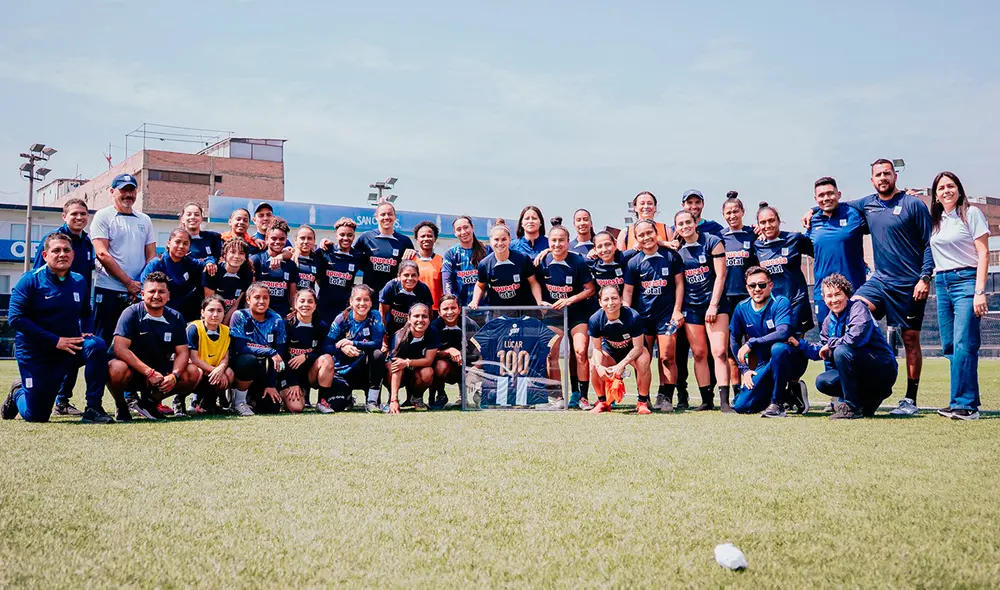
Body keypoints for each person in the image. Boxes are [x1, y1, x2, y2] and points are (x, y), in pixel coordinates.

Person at [828, 159, 934, 416]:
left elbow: (929, 243)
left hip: (909, 283)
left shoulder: (913, 204)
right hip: (880, 281)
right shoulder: (868, 204)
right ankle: (863, 384)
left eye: (887, 173)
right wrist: (811, 211)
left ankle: (910, 399)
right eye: (878, 174)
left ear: (895, 176)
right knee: (854, 308)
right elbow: (835, 205)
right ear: (872, 180)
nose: (883, 177)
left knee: (910, 340)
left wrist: (925, 277)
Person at [3, 234, 112, 424]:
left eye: (66, 250)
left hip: (68, 349)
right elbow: (15, 318)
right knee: (36, 416)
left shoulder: (79, 281)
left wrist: (87, 330)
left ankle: (93, 408)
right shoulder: (30, 280)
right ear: (45, 255)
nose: (62, 254)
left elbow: (86, 312)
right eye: (56, 250)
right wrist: (55, 341)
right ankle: (18, 393)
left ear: (73, 254)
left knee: (96, 345)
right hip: (35, 354)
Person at [928, 171, 989, 420]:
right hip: (942, 283)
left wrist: (979, 291)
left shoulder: (971, 213)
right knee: (951, 345)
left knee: (965, 342)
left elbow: (984, 253)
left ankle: (965, 405)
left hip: (966, 281)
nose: (946, 191)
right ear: (936, 195)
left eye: (950, 186)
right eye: (941, 188)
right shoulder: (937, 219)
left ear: (959, 189)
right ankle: (963, 401)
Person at [793, 274, 896, 419]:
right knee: (823, 381)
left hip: (881, 368)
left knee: (841, 351)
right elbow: (824, 351)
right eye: (829, 296)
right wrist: (799, 344)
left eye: (838, 294)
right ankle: (866, 401)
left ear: (847, 295)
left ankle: (852, 407)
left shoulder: (858, 308)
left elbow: (855, 338)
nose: (834, 300)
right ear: (824, 299)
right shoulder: (828, 321)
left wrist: (830, 344)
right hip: (859, 369)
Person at [31, 197, 96, 416]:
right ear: (64, 216)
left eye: (83, 214)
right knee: (53, 358)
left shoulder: (87, 243)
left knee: (77, 348)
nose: (79, 218)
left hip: (76, 308)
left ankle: (62, 400)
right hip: (51, 312)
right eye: (74, 214)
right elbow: (38, 275)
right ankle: (30, 389)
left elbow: (85, 280)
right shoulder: (53, 240)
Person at [106, 272, 201, 420]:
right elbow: (120, 349)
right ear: (143, 294)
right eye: (152, 291)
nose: (156, 295)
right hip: (133, 371)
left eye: (161, 292)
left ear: (168, 296)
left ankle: (150, 403)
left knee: (193, 372)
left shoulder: (176, 317)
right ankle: (121, 404)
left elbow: (182, 352)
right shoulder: (130, 313)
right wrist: (149, 372)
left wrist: (174, 376)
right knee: (116, 368)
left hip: (159, 371)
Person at [622, 219, 684, 412]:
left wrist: (677, 310)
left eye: (649, 232)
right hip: (642, 319)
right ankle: (644, 397)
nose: (646, 237)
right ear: (637, 239)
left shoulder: (671, 256)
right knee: (642, 359)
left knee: (667, 356)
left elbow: (680, 285)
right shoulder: (634, 262)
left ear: (656, 232)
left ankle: (665, 397)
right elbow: (629, 293)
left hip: (666, 316)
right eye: (641, 235)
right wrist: (627, 316)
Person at [729, 267, 809, 417]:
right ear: (747, 288)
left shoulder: (780, 302)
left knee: (778, 349)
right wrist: (744, 370)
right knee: (742, 406)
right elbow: (734, 337)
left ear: (770, 286)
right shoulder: (742, 308)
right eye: (752, 286)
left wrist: (751, 343)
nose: (757, 289)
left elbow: (783, 332)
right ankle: (791, 394)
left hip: (791, 358)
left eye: (762, 285)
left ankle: (777, 404)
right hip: (765, 364)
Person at [674, 209, 731, 412]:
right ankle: (706, 400)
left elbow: (721, 276)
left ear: (695, 222)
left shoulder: (712, 241)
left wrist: (713, 305)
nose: (685, 226)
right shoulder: (677, 251)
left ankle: (725, 401)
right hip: (692, 308)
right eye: (680, 224)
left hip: (715, 305)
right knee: (699, 354)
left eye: (688, 222)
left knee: (720, 352)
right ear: (677, 228)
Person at [91, 173, 156, 346]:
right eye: (123, 190)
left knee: (136, 342)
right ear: (112, 191)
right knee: (103, 341)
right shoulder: (103, 216)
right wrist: (128, 282)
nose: (128, 195)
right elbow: (102, 254)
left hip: (138, 292)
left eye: (132, 190)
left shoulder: (145, 219)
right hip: (109, 289)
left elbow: (151, 256)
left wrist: (139, 285)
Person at [534, 224, 596, 409]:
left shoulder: (577, 262)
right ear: (548, 242)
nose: (557, 243)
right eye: (553, 240)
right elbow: (533, 282)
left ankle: (583, 397)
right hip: (554, 313)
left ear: (568, 242)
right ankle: (557, 397)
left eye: (561, 240)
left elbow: (590, 289)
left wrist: (570, 300)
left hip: (577, 312)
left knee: (580, 351)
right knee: (551, 353)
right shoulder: (542, 261)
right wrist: (539, 301)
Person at [228, 283, 302, 416]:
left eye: (265, 298)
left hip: (264, 370)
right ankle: (238, 401)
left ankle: (252, 398)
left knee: (270, 408)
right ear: (248, 299)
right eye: (257, 297)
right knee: (248, 361)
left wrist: (271, 384)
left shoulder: (277, 320)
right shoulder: (240, 316)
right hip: (241, 366)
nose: (261, 301)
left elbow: (280, 354)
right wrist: (270, 351)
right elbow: (241, 347)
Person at [805, 177, 868, 326]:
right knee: (828, 339)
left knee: (856, 339)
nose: (826, 198)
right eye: (821, 195)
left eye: (830, 193)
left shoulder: (854, 214)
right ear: (815, 199)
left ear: (839, 194)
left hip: (854, 290)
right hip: (824, 294)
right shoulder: (812, 221)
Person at [319, 285, 386, 413]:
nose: (362, 303)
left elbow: (377, 343)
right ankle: (348, 397)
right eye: (358, 299)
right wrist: (342, 349)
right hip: (343, 371)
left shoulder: (375, 316)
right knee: (337, 406)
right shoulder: (341, 319)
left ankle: (372, 401)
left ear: (371, 302)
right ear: (351, 301)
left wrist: (353, 343)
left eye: (366, 300)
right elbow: (326, 346)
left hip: (366, 371)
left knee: (377, 355)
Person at [587, 286, 653, 414]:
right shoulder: (595, 319)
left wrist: (621, 365)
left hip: (632, 351)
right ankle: (602, 402)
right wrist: (599, 366)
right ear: (600, 303)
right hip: (610, 352)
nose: (610, 303)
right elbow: (596, 348)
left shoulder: (633, 316)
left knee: (644, 359)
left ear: (621, 299)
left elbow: (638, 347)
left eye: (614, 298)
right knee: (593, 364)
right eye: (606, 299)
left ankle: (642, 402)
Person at [754, 203, 815, 336]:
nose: (768, 225)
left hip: (796, 301)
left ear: (779, 221)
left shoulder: (794, 239)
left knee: (796, 344)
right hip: (772, 304)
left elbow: (820, 253)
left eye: (771, 220)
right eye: (763, 222)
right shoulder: (757, 245)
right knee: (776, 345)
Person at [720, 192, 757, 387]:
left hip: (749, 298)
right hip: (727, 299)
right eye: (728, 212)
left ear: (743, 212)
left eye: (736, 211)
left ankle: (753, 385)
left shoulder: (752, 234)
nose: (732, 215)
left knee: (753, 344)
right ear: (723, 215)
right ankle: (736, 391)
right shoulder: (719, 237)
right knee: (731, 348)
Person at [469, 223, 542, 309]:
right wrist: (474, 301)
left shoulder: (523, 259)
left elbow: (533, 282)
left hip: (521, 311)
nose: (500, 243)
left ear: (509, 240)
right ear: (490, 240)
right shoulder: (484, 264)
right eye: (496, 239)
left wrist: (539, 302)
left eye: (504, 239)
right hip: (497, 312)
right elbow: (480, 285)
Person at [384, 303, 439, 413]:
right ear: (409, 319)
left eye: (424, 316)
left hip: (417, 372)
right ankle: (392, 398)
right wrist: (394, 400)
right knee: (390, 367)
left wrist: (407, 362)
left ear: (429, 319)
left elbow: (429, 360)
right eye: (416, 316)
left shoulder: (432, 332)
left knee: (428, 372)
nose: (420, 320)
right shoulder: (400, 336)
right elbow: (396, 366)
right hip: (400, 373)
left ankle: (417, 398)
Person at [140, 228, 204, 322]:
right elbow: (143, 291)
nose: (181, 246)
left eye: (185, 243)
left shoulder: (189, 263)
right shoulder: (156, 264)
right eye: (177, 242)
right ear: (169, 243)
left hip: (181, 315)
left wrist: (211, 262)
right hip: (156, 312)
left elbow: (206, 262)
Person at [284, 289, 333, 410]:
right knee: (296, 408)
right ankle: (285, 395)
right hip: (289, 375)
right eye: (302, 301)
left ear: (315, 305)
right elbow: (282, 355)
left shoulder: (322, 326)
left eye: (310, 301)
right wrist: (292, 383)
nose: (306, 304)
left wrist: (306, 356)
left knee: (327, 359)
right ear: (295, 304)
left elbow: (325, 351)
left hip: (311, 375)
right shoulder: (285, 325)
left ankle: (322, 402)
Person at [185, 296, 234, 414]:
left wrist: (220, 370)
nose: (215, 314)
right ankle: (180, 400)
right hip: (199, 371)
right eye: (211, 310)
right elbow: (194, 358)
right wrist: (216, 371)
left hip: (213, 373)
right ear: (202, 312)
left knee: (229, 373)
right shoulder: (194, 328)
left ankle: (208, 402)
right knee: (195, 371)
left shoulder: (227, 331)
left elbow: (225, 357)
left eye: (219, 311)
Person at [355, 202, 415, 295]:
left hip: (394, 295)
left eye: (390, 214)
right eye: (383, 214)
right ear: (376, 217)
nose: (386, 217)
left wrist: (414, 252)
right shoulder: (365, 237)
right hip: (370, 295)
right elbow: (351, 257)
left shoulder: (405, 241)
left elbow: (412, 267)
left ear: (395, 217)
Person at [430, 294, 476, 408]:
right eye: (445, 309)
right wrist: (449, 351)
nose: (450, 312)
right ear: (439, 312)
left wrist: (474, 368)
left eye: (453, 308)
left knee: (479, 366)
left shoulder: (469, 324)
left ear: (459, 309)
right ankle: (438, 395)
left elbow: (477, 351)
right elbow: (429, 353)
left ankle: (466, 397)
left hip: (465, 365)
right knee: (440, 366)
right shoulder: (433, 327)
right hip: (445, 366)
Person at [317, 217, 363, 326]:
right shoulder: (325, 251)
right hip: (323, 307)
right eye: (342, 235)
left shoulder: (358, 256)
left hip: (344, 308)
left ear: (354, 237)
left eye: (349, 235)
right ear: (336, 235)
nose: (345, 238)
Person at [379, 260, 435, 343]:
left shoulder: (423, 289)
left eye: (413, 275)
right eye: (406, 275)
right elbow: (381, 316)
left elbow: (429, 315)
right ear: (399, 276)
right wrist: (384, 342)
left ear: (418, 276)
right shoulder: (390, 287)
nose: (410, 278)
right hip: (392, 331)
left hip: (414, 332)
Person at [251, 222, 298, 318]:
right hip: (261, 316)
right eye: (273, 238)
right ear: (266, 239)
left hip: (283, 316)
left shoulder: (291, 264)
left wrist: (294, 310)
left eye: (282, 239)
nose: (278, 242)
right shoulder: (256, 260)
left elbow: (292, 294)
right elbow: (251, 292)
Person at [441, 215, 490, 307]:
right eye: (459, 229)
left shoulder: (487, 251)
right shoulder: (451, 254)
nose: (463, 232)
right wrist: (452, 305)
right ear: (455, 232)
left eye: (466, 227)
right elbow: (447, 282)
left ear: (472, 228)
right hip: (461, 310)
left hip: (486, 309)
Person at [203, 238, 253, 325]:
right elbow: (209, 302)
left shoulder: (247, 274)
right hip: (211, 315)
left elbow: (235, 305)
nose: (236, 256)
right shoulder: (213, 271)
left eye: (241, 253)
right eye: (232, 252)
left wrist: (225, 327)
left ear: (245, 257)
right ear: (225, 255)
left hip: (230, 317)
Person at [616, 191, 674, 258]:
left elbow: (674, 254)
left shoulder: (666, 229)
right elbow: (620, 259)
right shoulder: (625, 233)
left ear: (655, 208)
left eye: (649, 203)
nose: (646, 206)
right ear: (635, 208)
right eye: (642, 203)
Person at [179, 202, 223, 275]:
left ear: (201, 219)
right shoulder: (177, 241)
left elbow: (220, 258)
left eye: (196, 214)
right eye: (189, 214)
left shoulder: (213, 237)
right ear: (182, 219)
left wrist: (211, 261)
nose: (192, 217)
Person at [413, 221, 444, 310]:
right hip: (414, 311)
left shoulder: (442, 261)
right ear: (417, 239)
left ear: (435, 238)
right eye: (422, 236)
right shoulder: (410, 260)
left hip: (435, 310)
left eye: (430, 236)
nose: (426, 239)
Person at [589, 231, 627, 297]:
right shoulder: (592, 263)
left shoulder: (626, 257)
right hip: (602, 305)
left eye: (608, 244)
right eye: (599, 246)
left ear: (615, 245)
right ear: (595, 249)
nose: (604, 249)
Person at [292, 224, 323, 296]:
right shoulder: (290, 257)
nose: (306, 241)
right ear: (295, 240)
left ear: (314, 241)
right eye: (302, 238)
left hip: (308, 303)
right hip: (292, 304)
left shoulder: (317, 260)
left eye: (309, 238)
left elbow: (322, 285)